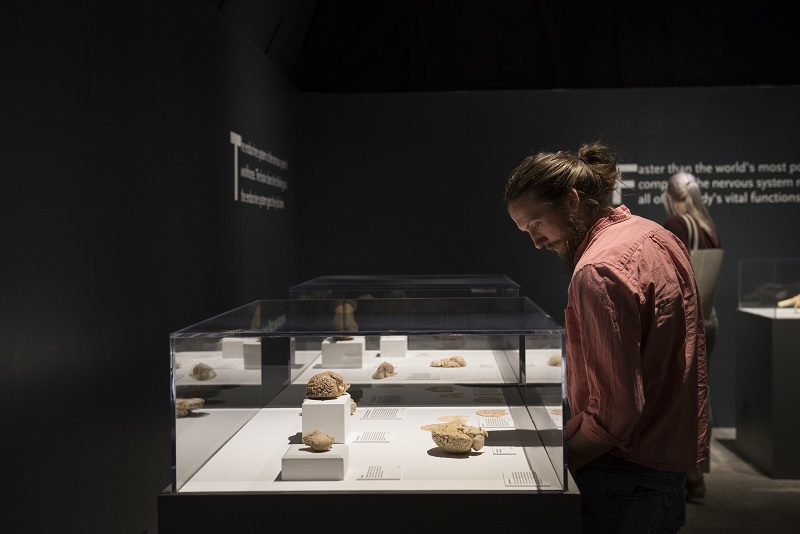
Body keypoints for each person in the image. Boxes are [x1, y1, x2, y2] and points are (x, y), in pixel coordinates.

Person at [504, 141, 709, 533]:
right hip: (667, 458)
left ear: (572, 200)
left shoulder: (597, 270)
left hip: (624, 471)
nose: (536, 242)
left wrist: (562, 461)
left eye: (536, 225)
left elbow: (616, 415)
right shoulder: (656, 235)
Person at [663, 171, 722, 501]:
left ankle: (691, 472)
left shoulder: (677, 223)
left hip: (689, 321)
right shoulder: (708, 226)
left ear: (671, 195)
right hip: (710, 318)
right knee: (703, 392)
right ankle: (698, 471)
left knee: (684, 398)